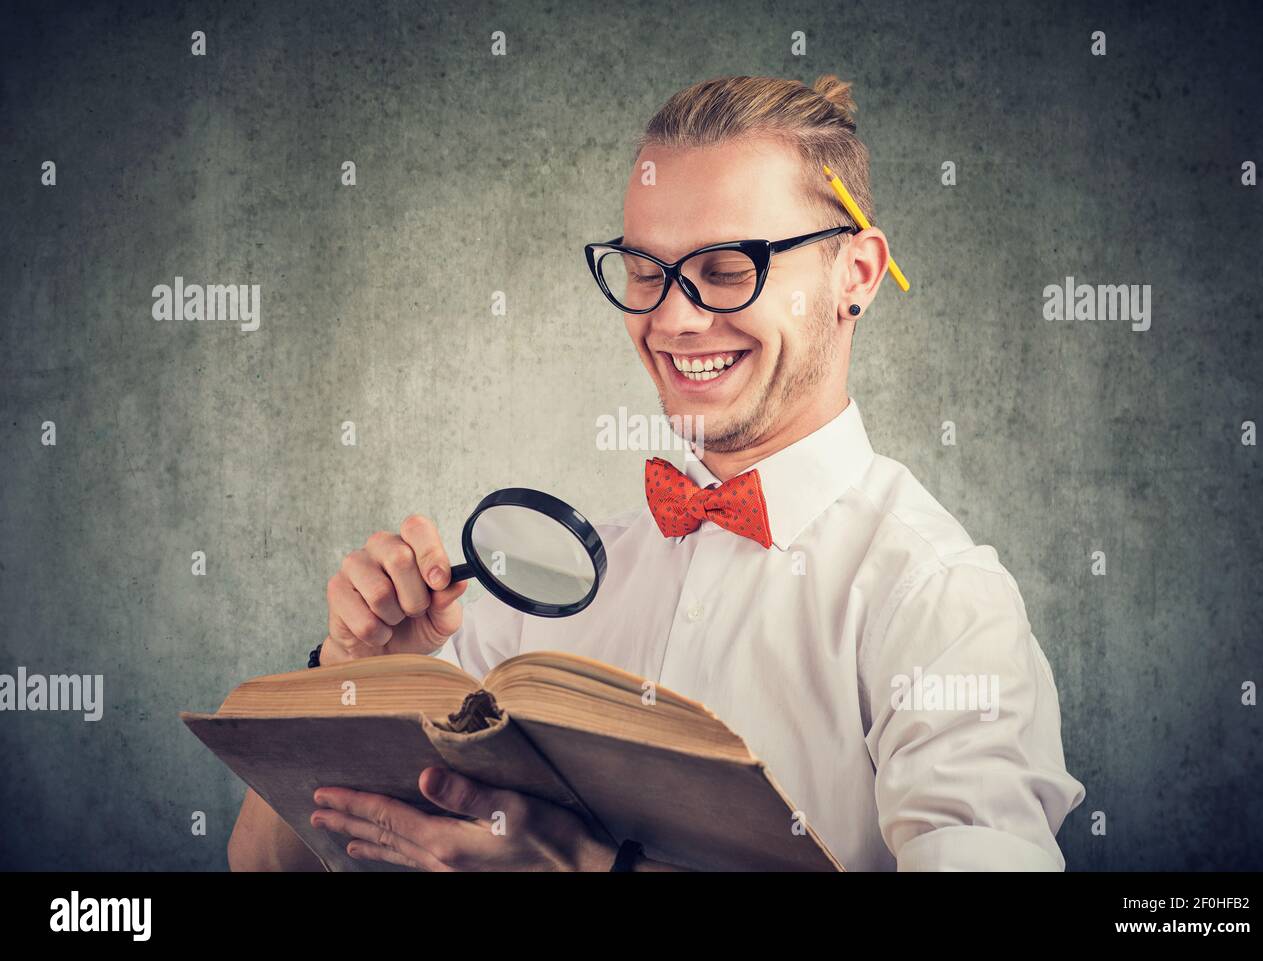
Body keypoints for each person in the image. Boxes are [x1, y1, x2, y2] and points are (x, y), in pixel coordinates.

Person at [227, 74, 1085, 872]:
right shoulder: (553, 586)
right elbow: (266, 865)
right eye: (646, 269)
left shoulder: (939, 601)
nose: (673, 318)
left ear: (854, 274)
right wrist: (347, 673)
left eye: (727, 268)